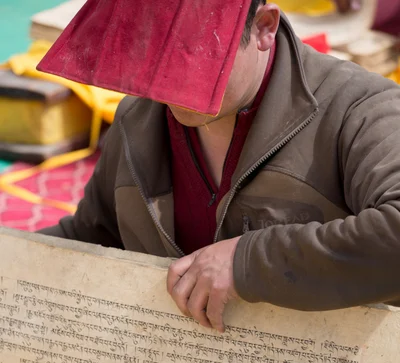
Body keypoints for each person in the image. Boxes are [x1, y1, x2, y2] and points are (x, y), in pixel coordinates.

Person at [38, 0, 400, 333]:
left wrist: (249, 263)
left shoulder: (359, 108)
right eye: (157, 53)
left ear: (264, 28)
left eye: (195, 54)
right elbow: (92, 236)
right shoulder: (138, 119)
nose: (171, 85)